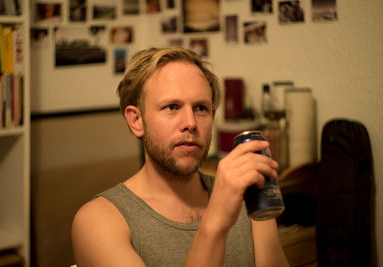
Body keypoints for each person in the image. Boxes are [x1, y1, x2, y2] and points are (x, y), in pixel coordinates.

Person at [71, 47, 289, 267]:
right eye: (172, 107)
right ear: (136, 120)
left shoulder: (249, 199)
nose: (191, 122)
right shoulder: (99, 221)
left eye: (200, 108)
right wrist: (215, 222)